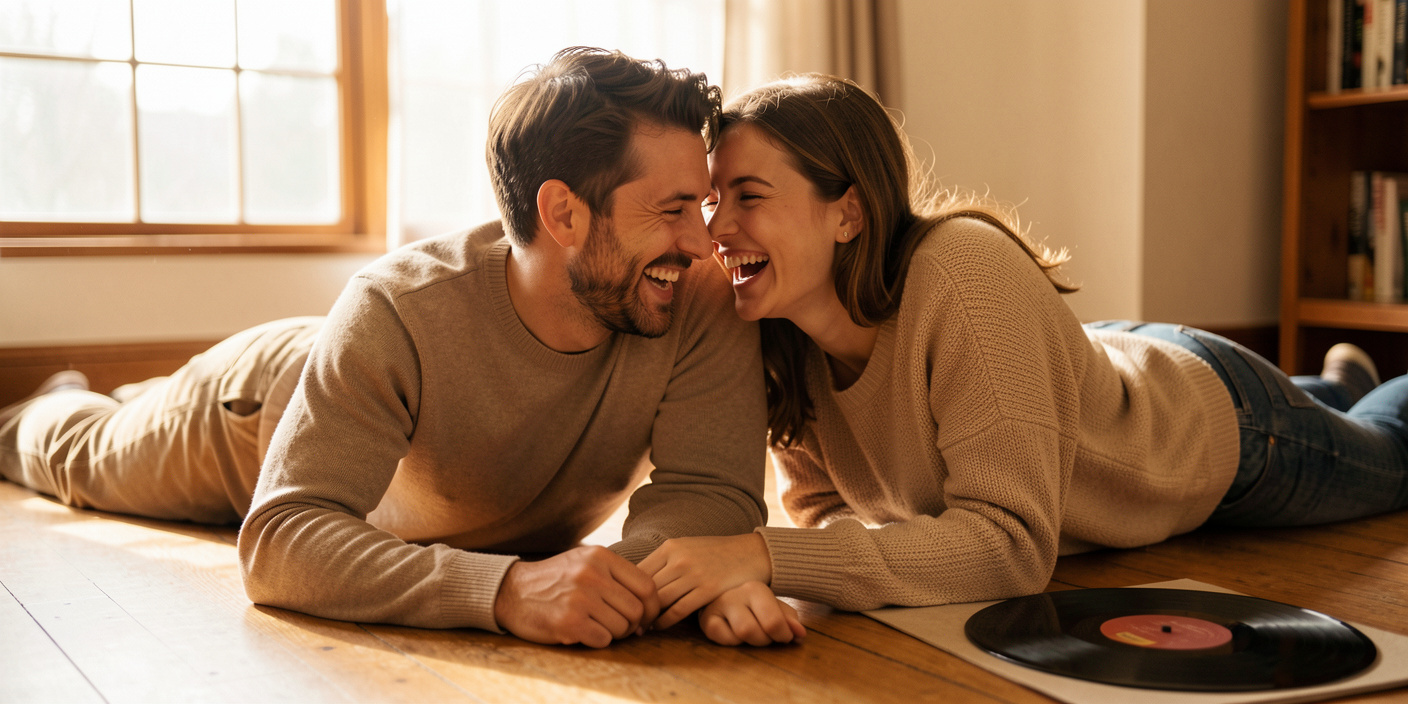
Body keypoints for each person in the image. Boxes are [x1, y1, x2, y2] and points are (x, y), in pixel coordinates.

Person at [0, 47, 782, 649]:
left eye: (704, 204)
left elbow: (710, 490)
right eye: (674, 208)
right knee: (79, 453)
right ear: (564, 213)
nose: (705, 239)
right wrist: (506, 592)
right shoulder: (398, 308)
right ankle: (52, 400)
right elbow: (280, 544)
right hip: (257, 415)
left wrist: (629, 580)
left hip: (393, 455)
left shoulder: (692, 292)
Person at [639, 73, 1408, 645]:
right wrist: (793, 559)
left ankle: (1353, 392)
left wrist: (764, 556)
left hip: (1212, 427)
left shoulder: (962, 272)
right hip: (1088, 370)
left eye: (747, 196)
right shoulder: (781, 331)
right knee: (1338, 405)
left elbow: (1009, 546)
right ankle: (1339, 382)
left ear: (847, 212)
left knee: (1392, 455)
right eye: (711, 201)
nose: (716, 228)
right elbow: (826, 511)